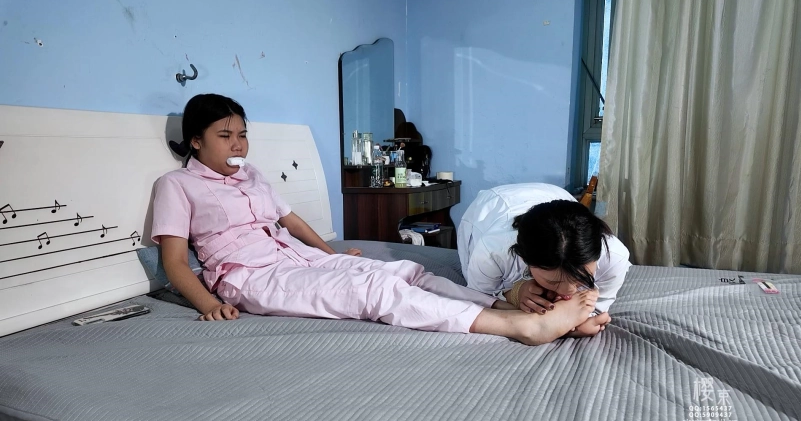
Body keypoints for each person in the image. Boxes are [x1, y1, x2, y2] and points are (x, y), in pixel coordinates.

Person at [150, 94, 596, 346]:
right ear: (196, 141)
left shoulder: (252, 177)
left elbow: (291, 221)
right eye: (225, 136)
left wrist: (332, 255)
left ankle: (506, 304)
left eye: (243, 135)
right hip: (250, 276)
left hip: (297, 258)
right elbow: (174, 262)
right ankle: (517, 326)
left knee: (407, 271)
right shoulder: (177, 185)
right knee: (375, 291)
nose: (238, 145)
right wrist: (208, 305)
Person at [458, 183, 632, 337]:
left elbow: (598, 309)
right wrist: (514, 294)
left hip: (555, 198)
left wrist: (582, 321)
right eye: (553, 282)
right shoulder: (491, 250)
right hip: (489, 207)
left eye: (581, 279)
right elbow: (477, 298)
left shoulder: (615, 257)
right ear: (524, 258)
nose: (568, 292)